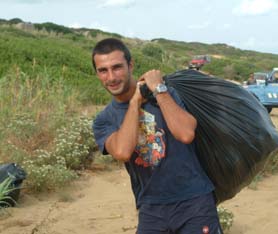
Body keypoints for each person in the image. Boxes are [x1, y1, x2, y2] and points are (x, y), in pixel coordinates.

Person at [92, 38, 222, 234]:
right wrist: (135, 102)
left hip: (194, 202)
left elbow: (186, 134)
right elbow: (122, 152)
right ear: (97, 73)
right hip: (150, 209)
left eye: (117, 67)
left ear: (130, 65)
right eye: (103, 70)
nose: (111, 77)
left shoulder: (166, 94)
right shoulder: (104, 120)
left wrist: (159, 90)